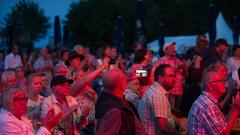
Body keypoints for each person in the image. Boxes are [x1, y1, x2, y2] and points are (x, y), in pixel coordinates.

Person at [95, 68, 147, 135]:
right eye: (124, 80)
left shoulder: (103, 100)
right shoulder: (114, 111)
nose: (138, 86)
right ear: (122, 85)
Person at [138, 64, 187, 135]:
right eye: (171, 76)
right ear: (160, 77)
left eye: (174, 76)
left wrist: (179, 121)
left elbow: (166, 114)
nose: (174, 79)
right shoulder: (158, 95)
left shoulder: (157, 90)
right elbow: (163, 127)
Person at [188, 69, 240, 135]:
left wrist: (233, 108)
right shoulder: (207, 105)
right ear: (210, 85)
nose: (225, 84)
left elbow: (222, 125)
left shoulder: (207, 101)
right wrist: (235, 110)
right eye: (222, 81)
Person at [158, 42, 188, 110]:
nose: (174, 50)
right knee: (171, 110)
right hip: (170, 90)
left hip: (179, 89)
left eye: (174, 48)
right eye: (171, 48)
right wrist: (178, 67)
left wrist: (185, 68)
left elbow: (186, 75)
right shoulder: (162, 60)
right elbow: (166, 73)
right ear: (165, 50)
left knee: (177, 110)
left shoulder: (177, 60)